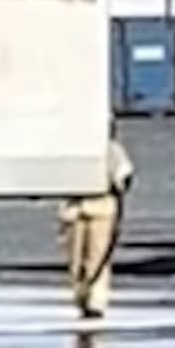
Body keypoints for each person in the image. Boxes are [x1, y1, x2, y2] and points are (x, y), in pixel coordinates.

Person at [61, 130, 134, 325]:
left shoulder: (110, 148)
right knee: (75, 260)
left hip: (101, 205)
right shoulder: (70, 148)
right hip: (75, 208)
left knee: (98, 257)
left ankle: (96, 302)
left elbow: (123, 173)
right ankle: (81, 297)